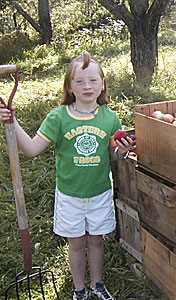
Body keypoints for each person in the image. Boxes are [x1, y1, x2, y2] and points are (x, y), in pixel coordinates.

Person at [0, 51, 134, 300]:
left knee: (96, 242)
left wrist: (123, 152)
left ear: (102, 83)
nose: (87, 86)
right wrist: (12, 122)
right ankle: (79, 289)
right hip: (70, 195)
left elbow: (114, 154)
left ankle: (97, 284)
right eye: (80, 81)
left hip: (100, 193)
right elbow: (30, 150)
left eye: (93, 80)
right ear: (70, 86)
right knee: (76, 244)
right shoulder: (58, 117)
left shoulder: (110, 118)